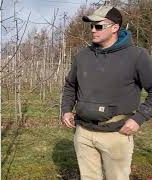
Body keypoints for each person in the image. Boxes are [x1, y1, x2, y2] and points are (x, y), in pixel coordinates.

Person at [61, 5, 152, 180]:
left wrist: (139, 118)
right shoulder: (82, 56)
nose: (93, 30)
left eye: (99, 26)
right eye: (91, 26)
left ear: (115, 28)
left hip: (116, 134)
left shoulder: (137, 56)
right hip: (83, 133)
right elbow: (70, 85)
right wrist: (66, 109)